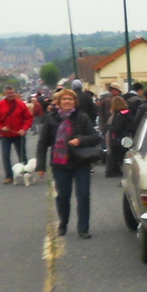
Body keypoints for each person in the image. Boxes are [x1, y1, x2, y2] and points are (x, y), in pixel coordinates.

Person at [38, 88, 100, 238]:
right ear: (58, 102)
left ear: (75, 102)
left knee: (83, 196)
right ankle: (63, 223)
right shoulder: (51, 119)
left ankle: (83, 228)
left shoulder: (82, 117)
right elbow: (43, 143)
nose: (67, 102)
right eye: (64, 99)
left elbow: (95, 136)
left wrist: (80, 140)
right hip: (60, 164)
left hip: (80, 162)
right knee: (63, 196)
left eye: (70, 99)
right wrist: (41, 166)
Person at [0, 85, 32, 183]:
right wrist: (0, 127)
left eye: (12, 93)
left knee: (22, 155)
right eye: (8, 93)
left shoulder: (20, 104)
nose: (11, 95)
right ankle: (9, 176)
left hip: (19, 134)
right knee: (5, 156)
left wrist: (24, 129)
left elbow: (29, 118)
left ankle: (26, 174)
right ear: (4, 94)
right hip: (5, 135)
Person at [104, 95, 134, 178]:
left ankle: (114, 171)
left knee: (116, 156)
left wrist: (108, 126)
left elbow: (116, 128)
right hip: (126, 138)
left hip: (118, 139)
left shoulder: (119, 115)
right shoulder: (128, 113)